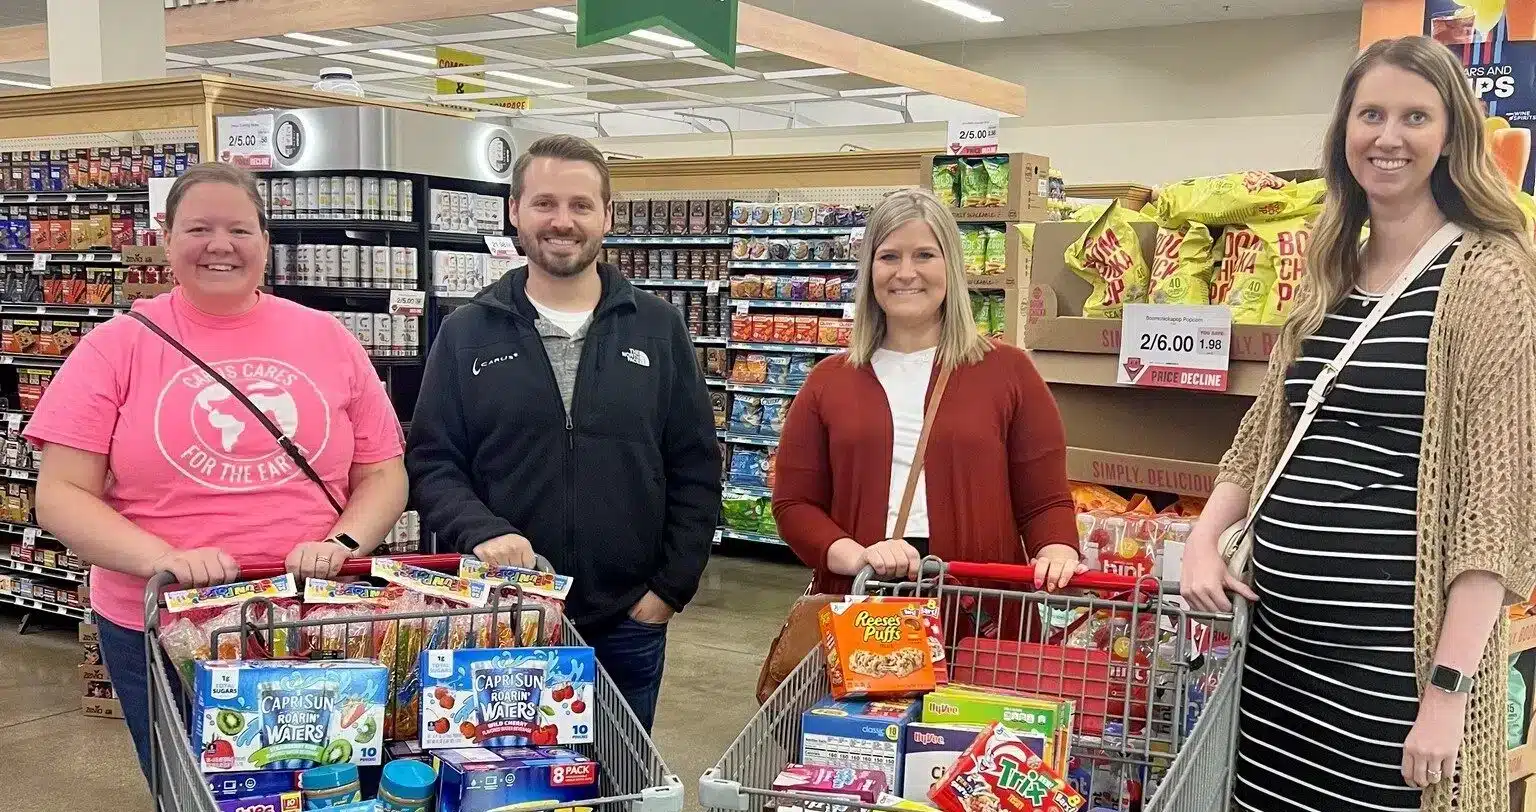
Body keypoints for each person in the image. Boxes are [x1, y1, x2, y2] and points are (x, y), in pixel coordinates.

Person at [1180, 36, 1536, 812]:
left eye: (1416, 115)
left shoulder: (1491, 275)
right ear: (1345, 132)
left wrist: (1445, 694)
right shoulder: (1335, 265)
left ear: (1452, 137)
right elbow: (1263, 433)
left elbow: (1493, 509)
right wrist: (1203, 539)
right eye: (1370, 114)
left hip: (1390, 672)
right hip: (1272, 660)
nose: (1389, 136)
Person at [24, 162, 408, 781]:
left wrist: (341, 543)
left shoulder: (328, 338)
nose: (220, 246)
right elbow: (63, 494)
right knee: (189, 787)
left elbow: (383, 473)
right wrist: (162, 557)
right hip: (162, 622)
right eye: (198, 228)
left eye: (239, 229)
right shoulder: (115, 346)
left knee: (323, 782)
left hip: (310, 613)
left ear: (266, 239)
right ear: (165, 235)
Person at [406, 134, 721, 732]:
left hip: (628, 620)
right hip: (503, 616)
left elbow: (695, 466)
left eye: (580, 205)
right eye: (544, 203)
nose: (562, 222)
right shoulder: (466, 332)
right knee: (507, 783)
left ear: (607, 215)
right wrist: (483, 530)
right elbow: (433, 463)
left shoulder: (658, 328)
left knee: (622, 788)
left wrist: (667, 592)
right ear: (514, 212)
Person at [771, 188, 1081, 596]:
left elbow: (1044, 500)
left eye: (924, 255)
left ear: (950, 265)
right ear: (869, 270)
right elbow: (795, 505)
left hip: (980, 607)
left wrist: (1056, 549)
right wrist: (858, 556)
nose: (905, 272)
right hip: (863, 604)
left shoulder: (1009, 372)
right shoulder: (828, 381)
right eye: (889, 256)